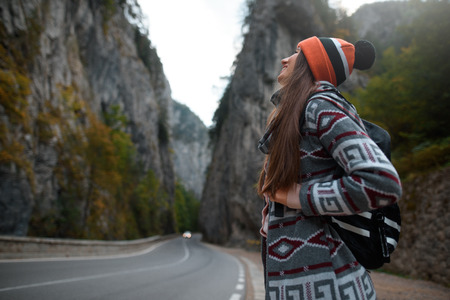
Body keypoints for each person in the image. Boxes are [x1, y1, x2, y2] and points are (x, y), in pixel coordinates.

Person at [257, 36, 402, 300]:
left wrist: (298, 196)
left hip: (331, 286)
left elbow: (381, 181)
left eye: (297, 52)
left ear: (312, 65)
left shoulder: (319, 106)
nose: (285, 58)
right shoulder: (299, 115)